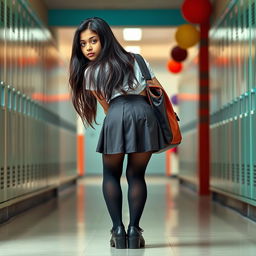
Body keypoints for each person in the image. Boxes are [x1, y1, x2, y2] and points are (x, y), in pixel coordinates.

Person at [69, 17, 167, 249]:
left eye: (93, 41)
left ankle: (118, 230)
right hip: (145, 116)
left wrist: (119, 115)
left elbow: (106, 106)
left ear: (105, 39)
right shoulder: (138, 60)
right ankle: (134, 230)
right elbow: (155, 91)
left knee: (111, 175)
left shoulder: (91, 72)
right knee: (136, 175)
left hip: (116, 114)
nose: (88, 48)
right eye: (83, 44)